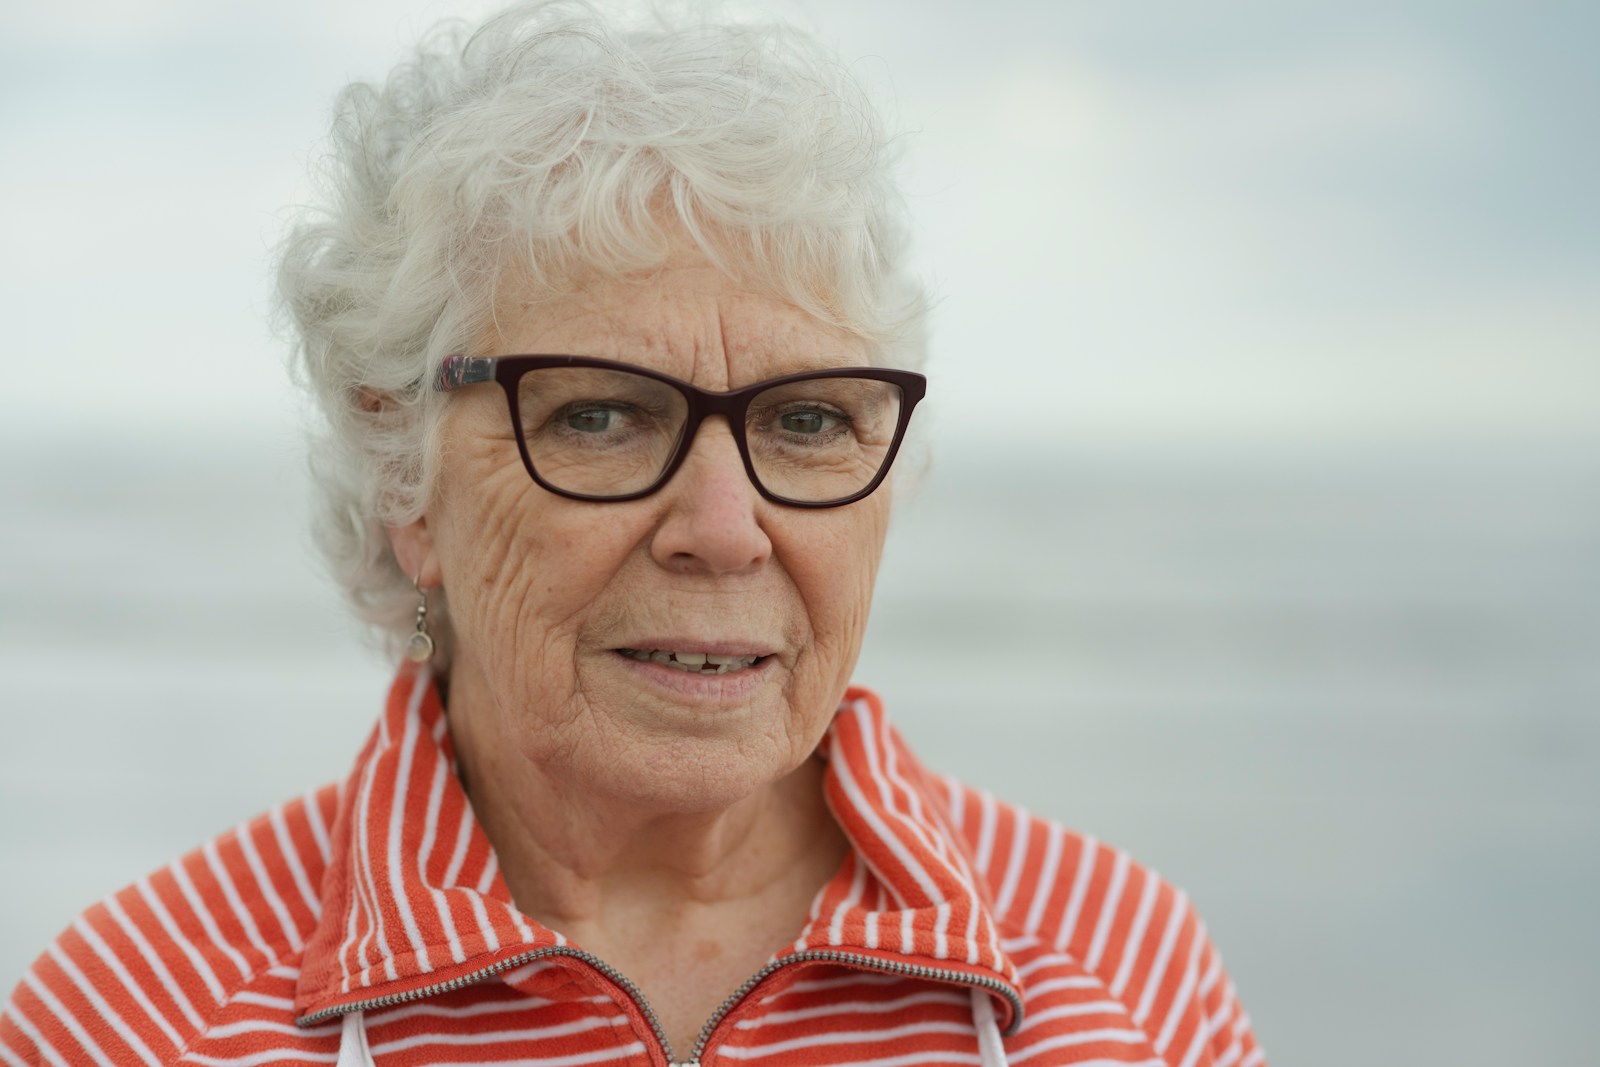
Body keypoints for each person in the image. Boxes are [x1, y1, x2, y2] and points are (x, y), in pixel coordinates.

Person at [1, 3, 1263, 1065]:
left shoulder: (1119, 967)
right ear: (404, 473)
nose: (724, 531)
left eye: (811, 416)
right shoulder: (136, 1016)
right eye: (599, 413)